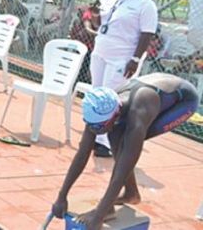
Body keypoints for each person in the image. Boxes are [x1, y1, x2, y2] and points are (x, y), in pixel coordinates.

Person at [51, 74, 199, 229]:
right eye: (92, 126)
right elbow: (82, 155)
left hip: (183, 101)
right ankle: (131, 193)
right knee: (115, 137)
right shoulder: (99, 110)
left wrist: (99, 214)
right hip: (146, 95)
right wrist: (62, 196)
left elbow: (124, 167)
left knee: (122, 143)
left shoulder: (140, 110)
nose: (95, 131)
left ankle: (127, 195)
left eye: (99, 127)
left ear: (114, 116)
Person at [90, 0, 159, 158]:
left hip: (121, 59)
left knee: (110, 98)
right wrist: (94, 13)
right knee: (97, 94)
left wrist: (135, 59)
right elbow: (100, 22)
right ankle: (95, 135)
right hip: (101, 53)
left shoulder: (146, 5)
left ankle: (106, 143)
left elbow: (147, 34)